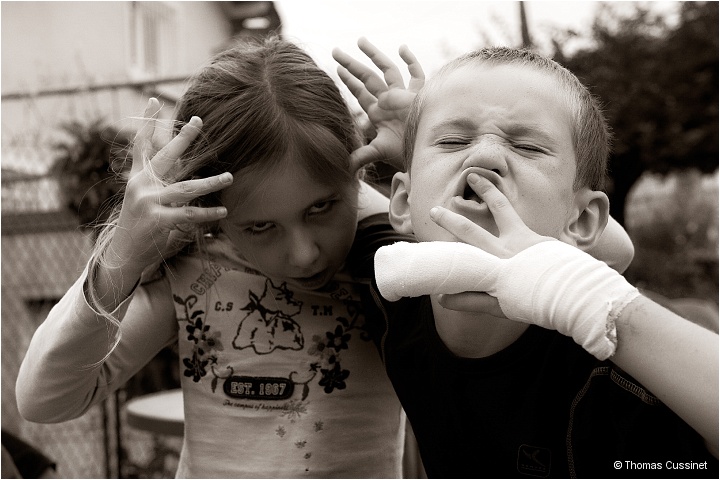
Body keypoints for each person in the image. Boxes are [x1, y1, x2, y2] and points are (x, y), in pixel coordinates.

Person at [16, 35, 416, 478]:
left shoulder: (392, 245)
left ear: (357, 167)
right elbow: (45, 400)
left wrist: (424, 178)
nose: (304, 254)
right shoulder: (197, 261)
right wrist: (122, 258)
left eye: (321, 207)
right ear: (216, 217)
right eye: (260, 227)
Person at [334, 40, 719, 478]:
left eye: (529, 148)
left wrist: (595, 304)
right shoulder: (384, 287)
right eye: (455, 140)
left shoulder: (626, 360)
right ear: (401, 201)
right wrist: (419, 144)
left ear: (585, 219)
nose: (482, 157)